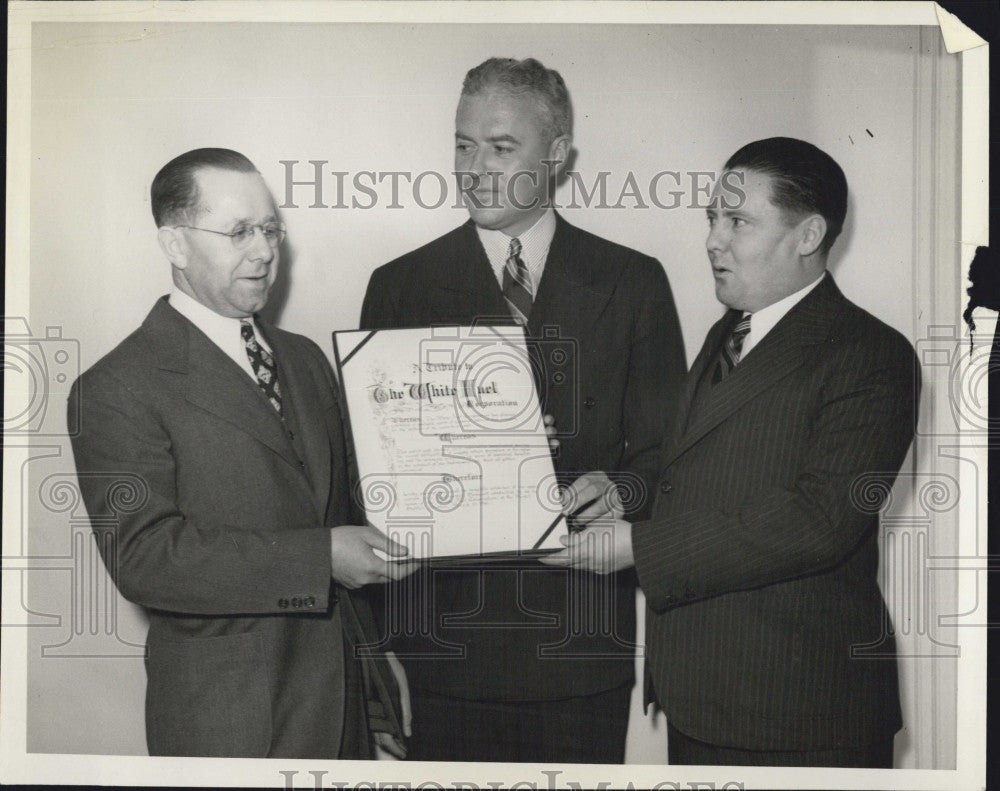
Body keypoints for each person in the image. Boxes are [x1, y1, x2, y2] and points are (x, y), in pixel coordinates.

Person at [548, 137, 919, 767]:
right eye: (712, 219)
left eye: (737, 221)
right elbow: (691, 467)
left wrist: (637, 547)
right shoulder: (732, 331)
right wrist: (621, 489)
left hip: (801, 717)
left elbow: (821, 520)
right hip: (706, 699)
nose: (713, 240)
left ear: (808, 235)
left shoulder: (871, 353)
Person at [360, 57, 686, 763]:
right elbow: (371, 482)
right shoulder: (398, 285)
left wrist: (619, 487)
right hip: (440, 653)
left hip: (578, 645)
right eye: (463, 144)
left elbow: (669, 458)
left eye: (501, 147)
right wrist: (377, 652)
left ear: (558, 154)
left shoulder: (633, 282)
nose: (474, 167)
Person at [68, 148, 413, 759]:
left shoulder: (306, 359)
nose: (263, 251)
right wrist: (320, 559)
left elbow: (354, 502)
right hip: (231, 725)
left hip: (344, 712)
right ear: (175, 244)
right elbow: (144, 559)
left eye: (270, 229)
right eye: (238, 232)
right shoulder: (116, 386)